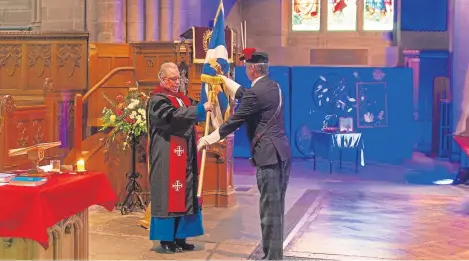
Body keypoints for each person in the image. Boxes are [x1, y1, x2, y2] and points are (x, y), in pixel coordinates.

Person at [197, 49, 292, 260]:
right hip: (281, 154)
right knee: (275, 209)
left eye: (246, 67)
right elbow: (246, 96)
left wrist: (208, 139)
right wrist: (224, 81)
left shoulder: (256, 93)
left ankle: (272, 258)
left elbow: (235, 120)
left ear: (251, 69)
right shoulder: (272, 86)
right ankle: (273, 255)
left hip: (269, 157)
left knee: (270, 211)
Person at [147, 62, 212, 253]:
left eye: (179, 79)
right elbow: (172, 117)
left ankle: (180, 237)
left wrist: (209, 104)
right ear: (162, 79)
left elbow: (195, 110)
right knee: (169, 194)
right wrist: (200, 109)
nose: (177, 82)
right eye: (173, 79)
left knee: (185, 193)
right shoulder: (157, 100)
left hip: (185, 155)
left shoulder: (182, 98)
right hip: (167, 155)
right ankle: (166, 239)